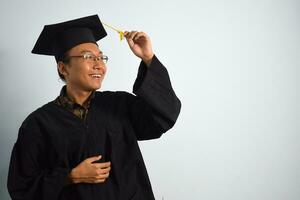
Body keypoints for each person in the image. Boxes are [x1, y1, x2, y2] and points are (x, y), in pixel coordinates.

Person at [7, 14, 181, 200]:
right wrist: (69, 177)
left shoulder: (119, 105)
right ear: (63, 68)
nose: (99, 65)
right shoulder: (38, 124)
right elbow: (21, 187)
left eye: (101, 57)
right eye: (88, 57)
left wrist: (148, 58)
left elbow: (164, 116)